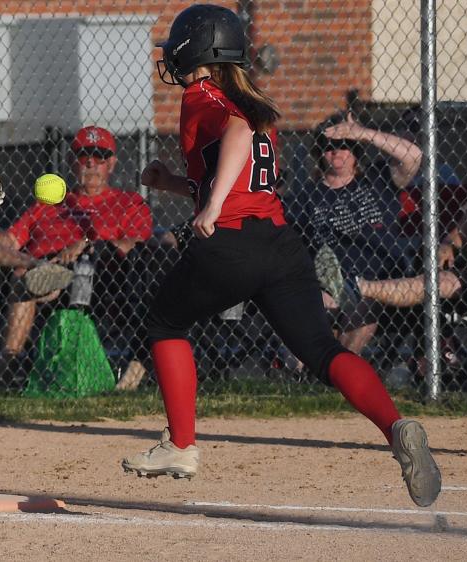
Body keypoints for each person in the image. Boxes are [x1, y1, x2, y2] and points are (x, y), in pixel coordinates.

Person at [120, 4, 441, 508]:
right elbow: (241, 172)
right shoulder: (250, 95)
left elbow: (237, 135)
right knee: (323, 351)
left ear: (196, 52)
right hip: (280, 245)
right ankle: (396, 427)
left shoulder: (203, 94)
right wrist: (178, 187)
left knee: (164, 324)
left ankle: (181, 446)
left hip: (232, 245)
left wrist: (214, 205)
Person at [0, 125, 154, 389]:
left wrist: (87, 244)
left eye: (99, 156)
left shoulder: (128, 202)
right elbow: (10, 242)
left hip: (96, 277)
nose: (90, 163)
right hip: (31, 267)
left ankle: (6, 364)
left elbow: (136, 245)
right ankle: (37, 267)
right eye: (83, 156)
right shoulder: (50, 203)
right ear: (71, 162)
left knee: (24, 278)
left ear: (112, 163)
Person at [286, 112, 425, 353]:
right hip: (327, 281)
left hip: (380, 278)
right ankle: (310, 378)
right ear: (319, 155)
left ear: (356, 153)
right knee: (312, 310)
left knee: (364, 307)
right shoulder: (305, 196)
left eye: (345, 145)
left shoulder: (378, 178)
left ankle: (338, 374)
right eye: (328, 146)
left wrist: (362, 133)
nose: (337, 151)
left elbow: (413, 155)